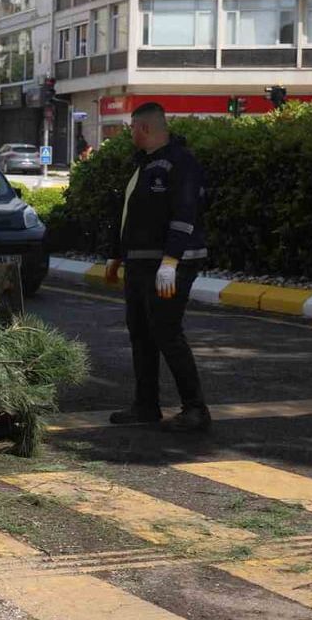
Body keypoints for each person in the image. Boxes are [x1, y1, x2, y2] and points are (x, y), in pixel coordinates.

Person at [104, 102, 210, 432]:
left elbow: (185, 212)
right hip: (140, 262)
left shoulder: (181, 163)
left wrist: (171, 260)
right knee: (141, 333)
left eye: (133, 128)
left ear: (145, 128)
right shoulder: (144, 164)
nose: (130, 134)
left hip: (169, 265)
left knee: (166, 332)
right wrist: (116, 254)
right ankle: (145, 405)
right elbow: (128, 215)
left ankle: (195, 409)